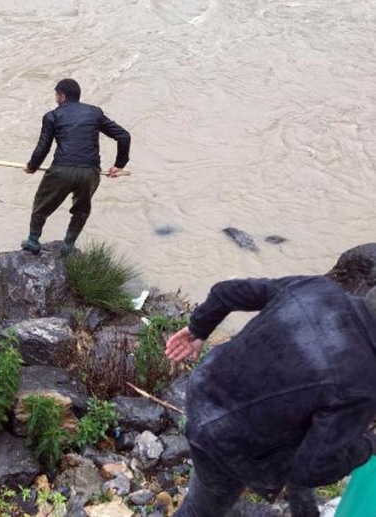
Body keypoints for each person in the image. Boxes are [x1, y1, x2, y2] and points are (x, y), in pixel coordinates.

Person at [165, 275, 376, 517]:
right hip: (224, 439)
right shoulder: (362, 386)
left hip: (206, 385)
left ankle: (304, 511)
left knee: (311, 427)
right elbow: (311, 470)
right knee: (200, 508)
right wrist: (368, 444)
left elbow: (225, 292)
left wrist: (198, 329)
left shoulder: (316, 287)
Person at [21, 78, 131, 256]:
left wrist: (32, 166)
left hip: (61, 170)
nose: (55, 99)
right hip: (90, 172)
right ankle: (68, 246)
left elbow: (43, 147)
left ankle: (33, 241)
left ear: (62, 96)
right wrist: (119, 165)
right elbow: (124, 136)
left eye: (56, 95)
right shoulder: (94, 113)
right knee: (81, 210)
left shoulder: (52, 116)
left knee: (41, 206)